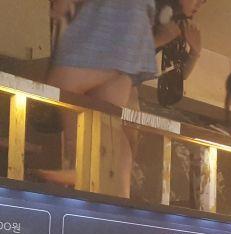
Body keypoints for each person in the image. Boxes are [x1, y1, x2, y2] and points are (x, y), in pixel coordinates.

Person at [41, 0, 157, 193]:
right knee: (107, 116)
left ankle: (81, 163)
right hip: (132, 14)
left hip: (113, 11)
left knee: (63, 83)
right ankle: (119, 186)